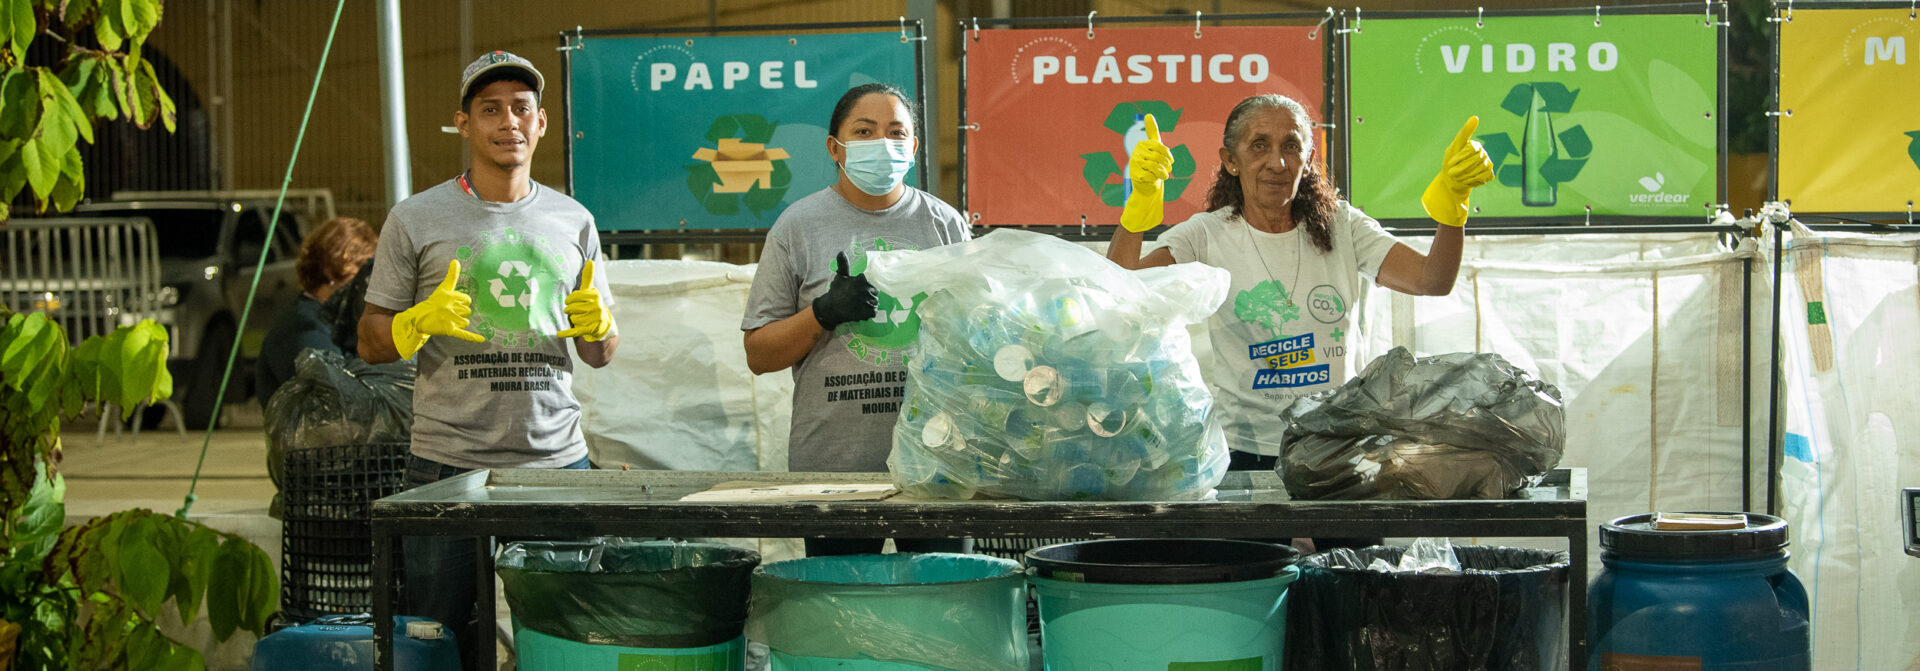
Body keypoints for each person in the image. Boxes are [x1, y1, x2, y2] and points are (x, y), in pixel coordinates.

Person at [356, 50, 617, 670]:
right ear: (463, 123)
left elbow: (599, 354)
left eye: (521, 108)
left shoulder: (573, 219)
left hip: (556, 464)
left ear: (542, 123)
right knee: (437, 638)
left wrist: (601, 329)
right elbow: (369, 340)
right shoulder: (415, 217)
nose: (508, 122)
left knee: (565, 635)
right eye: (490, 109)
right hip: (448, 464)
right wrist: (414, 322)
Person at [1107, 93, 1493, 471]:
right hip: (1246, 450)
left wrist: (1453, 204)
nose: (1277, 162)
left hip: (1337, 444)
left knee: (1344, 542)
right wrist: (1138, 208)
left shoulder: (1342, 226)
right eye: (1259, 146)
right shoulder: (1206, 234)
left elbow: (1432, 280)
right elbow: (1120, 291)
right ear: (1231, 161)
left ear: (1308, 161)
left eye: (1291, 146)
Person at [741, 83, 972, 557]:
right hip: (833, 469)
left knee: (942, 605)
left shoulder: (945, 225)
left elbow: (976, 339)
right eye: (864, 132)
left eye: (896, 133)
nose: (882, 144)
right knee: (840, 612)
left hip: (936, 460)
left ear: (912, 147)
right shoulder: (798, 226)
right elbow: (759, 354)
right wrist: (822, 314)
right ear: (835, 147)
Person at [255, 216, 376, 402]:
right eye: (359, 269)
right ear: (330, 268)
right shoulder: (301, 327)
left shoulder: (339, 320)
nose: (367, 281)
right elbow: (335, 397)